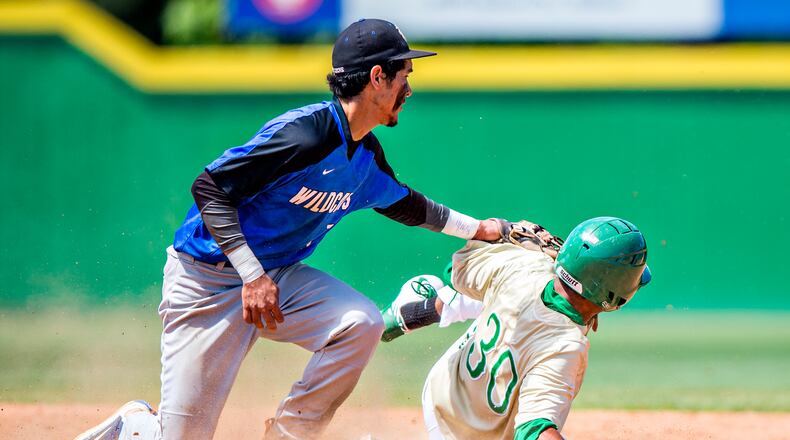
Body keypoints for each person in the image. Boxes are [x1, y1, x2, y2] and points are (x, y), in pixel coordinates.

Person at [73, 18, 503, 440]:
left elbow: (407, 204)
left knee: (360, 323)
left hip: (276, 280)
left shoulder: (364, 157)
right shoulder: (304, 135)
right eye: (403, 76)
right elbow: (209, 190)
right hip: (208, 280)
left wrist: (481, 229)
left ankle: (290, 434)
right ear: (377, 77)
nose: (408, 89)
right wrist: (251, 274)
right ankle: (136, 426)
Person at [380, 217, 652, 439]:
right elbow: (533, 431)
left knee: (499, 295)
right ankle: (417, 311)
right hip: (465, 435)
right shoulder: (565, 347)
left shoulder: (525, 264)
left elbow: (453, 272)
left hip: (440, 389)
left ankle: (413, 310)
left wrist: (503, 232)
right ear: (618, 295)